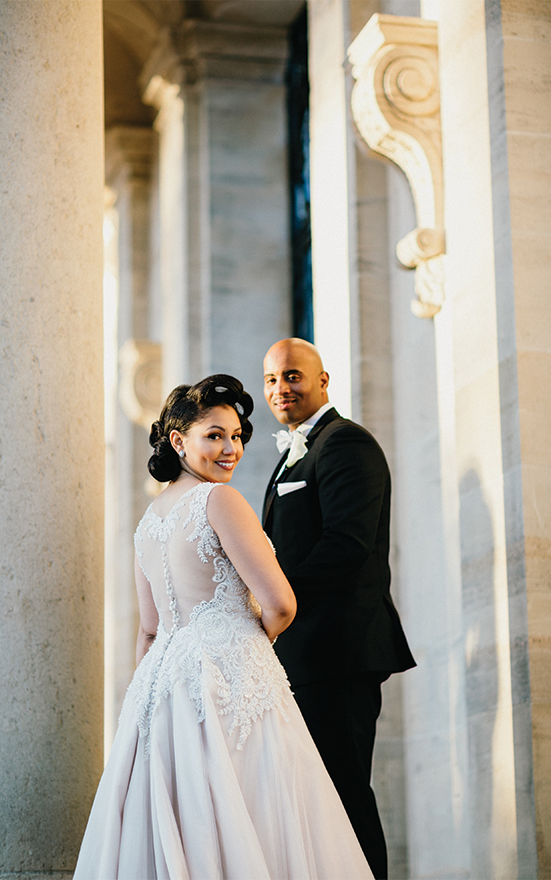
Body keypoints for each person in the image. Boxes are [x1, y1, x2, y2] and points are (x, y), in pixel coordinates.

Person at [75, 374, 373, 879]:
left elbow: (149, 629)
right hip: (228, 675)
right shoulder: (219, 501)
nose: (230, 448)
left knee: (181, 818)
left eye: (236, 436)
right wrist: (245, 637)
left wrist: (153, 689)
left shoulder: (147, 523)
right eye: (214, 435)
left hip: (160, 687)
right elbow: (280, 603)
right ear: (178, 440)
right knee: (260, 811)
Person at [261, 338, 415, 879]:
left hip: (339, 655)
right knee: (315, 802)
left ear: (323, 381)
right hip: (304, 658)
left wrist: (269, 593)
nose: (282, 388)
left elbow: (347, 545)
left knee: (345, 795)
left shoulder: (346, 443)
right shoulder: (292, 453)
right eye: (273, 380)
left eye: (294, 377)